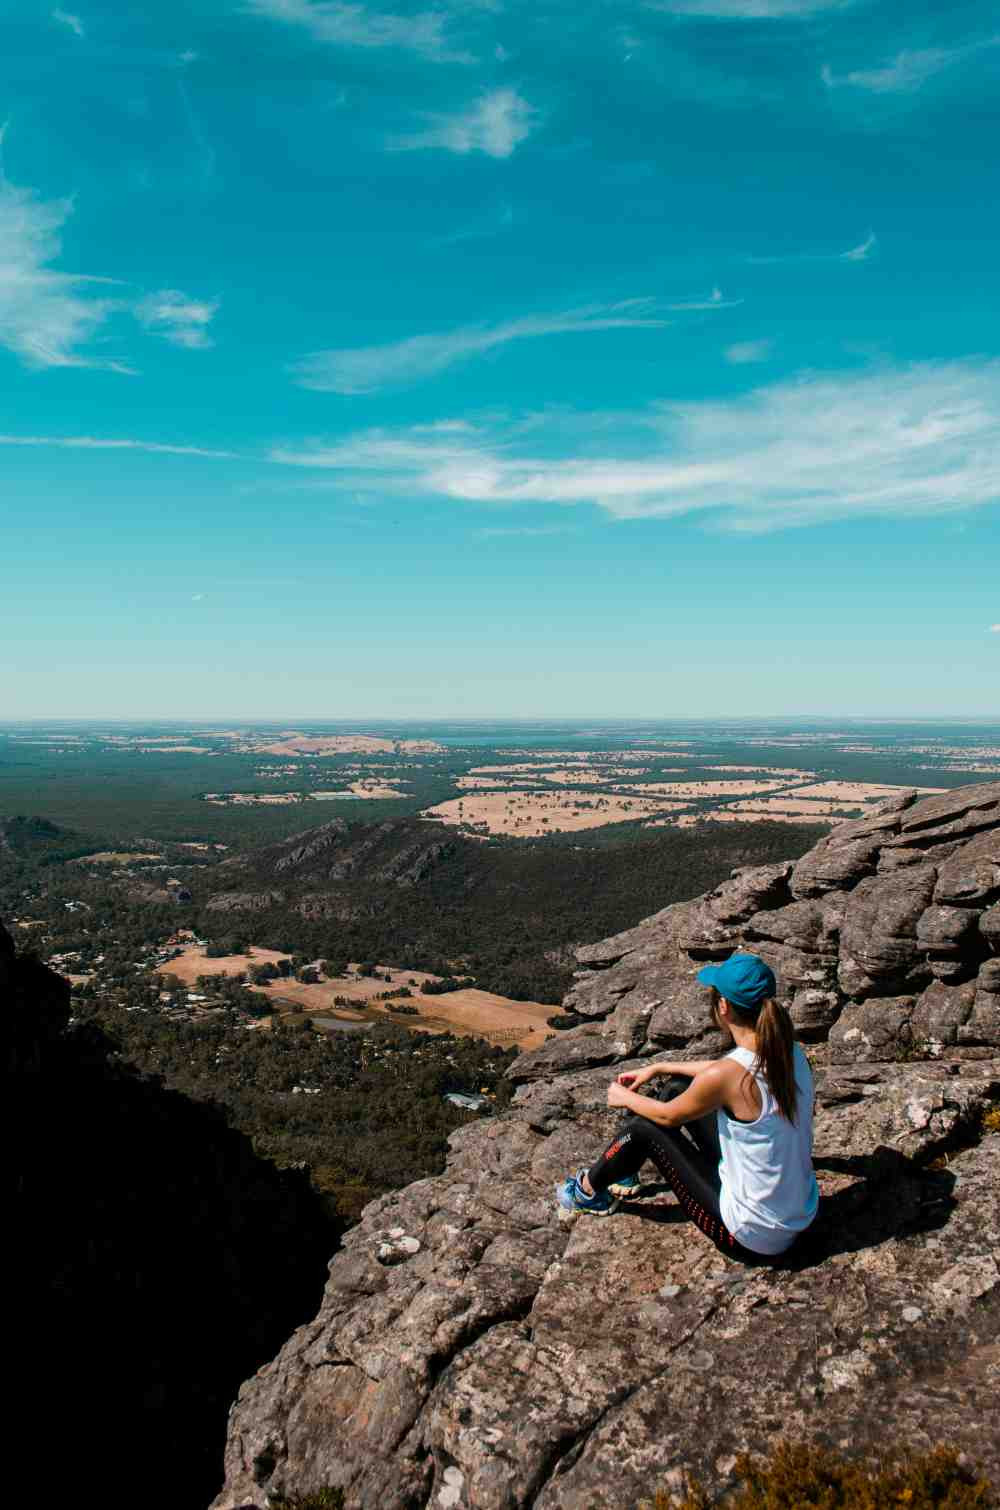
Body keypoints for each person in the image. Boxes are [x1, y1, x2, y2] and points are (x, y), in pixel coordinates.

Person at [556, 952, 819, 1260]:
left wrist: (623, 1097)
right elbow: (724, 1072)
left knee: (643, 1127)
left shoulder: (729, 1075)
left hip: (750, 1236)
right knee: (677, 1087)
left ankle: (587, 1192)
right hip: (796, 1217)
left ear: (723, 1007)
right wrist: (662, 1066)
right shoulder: (789, 1051)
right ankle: (623, 1171)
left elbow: (670, 1115)